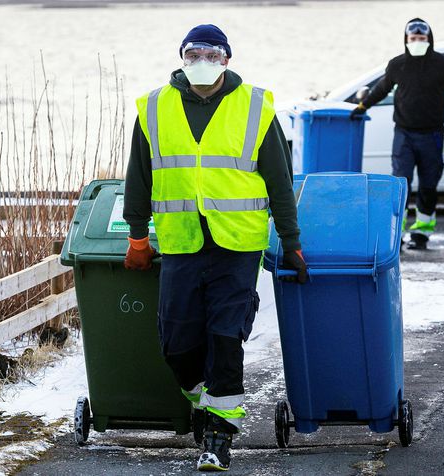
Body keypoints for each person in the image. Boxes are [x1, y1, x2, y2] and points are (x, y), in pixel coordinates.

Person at [123, 24, 307, 472]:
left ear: (227, 59)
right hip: (182, 242)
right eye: (193, 52)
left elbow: (280, 184)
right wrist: (137, 236)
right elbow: (139, 177)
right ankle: (204, 401)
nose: (202, 59)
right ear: (182, 58)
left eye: (212, 52)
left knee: (226, 337)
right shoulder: (153, 107)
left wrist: (291, 241)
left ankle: (219, 437)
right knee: (177, 344)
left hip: (237, 244)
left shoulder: (256, 108)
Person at [351, 18, 444, 250]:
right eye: (413, 39)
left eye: (422, 39)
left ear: (429, 40)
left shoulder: (442, 64)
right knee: (401, 182)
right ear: (406, 40)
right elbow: (382, 89)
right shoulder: (397, 65)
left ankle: (422, 232)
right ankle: (396, 234)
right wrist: (363, 106)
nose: (417, 42)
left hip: (432, 134)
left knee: (429, 185)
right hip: (404, 135)